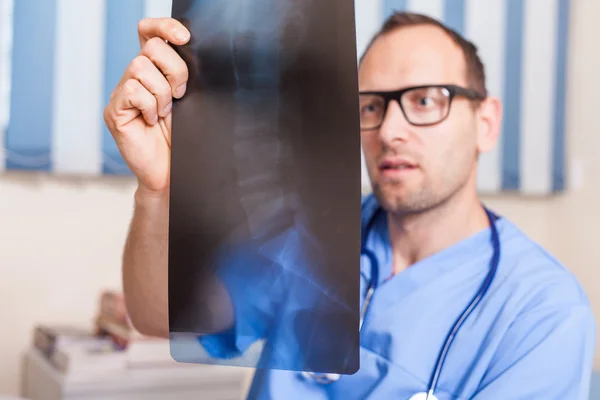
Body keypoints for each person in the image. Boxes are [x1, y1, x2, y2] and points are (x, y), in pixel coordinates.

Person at [104, 11, 596, 400]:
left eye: (426, 100)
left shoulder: (542, 313)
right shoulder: (301, 237)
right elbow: (159, 317)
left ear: (486, 122)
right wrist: (159, 191)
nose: (389, 131)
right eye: (370, 105)